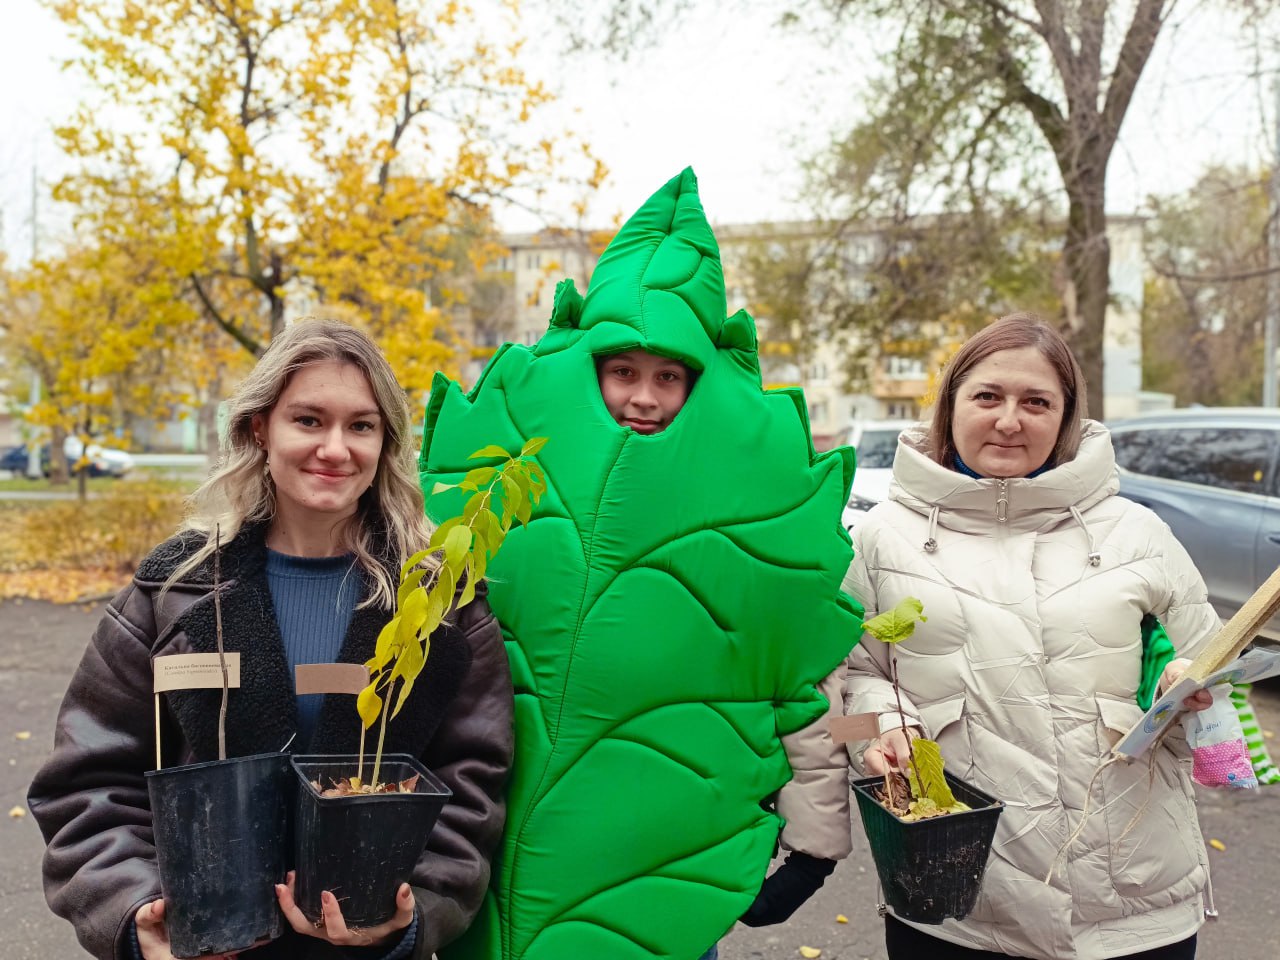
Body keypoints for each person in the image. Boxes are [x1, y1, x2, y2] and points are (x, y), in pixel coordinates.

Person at [419, 168, 858, 960]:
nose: (644, 397)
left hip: (658, 860)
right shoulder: (498, 490)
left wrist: (817, 837)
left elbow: (794, 686)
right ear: (590, 367)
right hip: (493, 852)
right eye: (622, 371)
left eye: (668, 377)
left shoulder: (748, 508)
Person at [27, 318, 513, 960]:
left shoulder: (436, 603)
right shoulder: (175, 591)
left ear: (385, 441)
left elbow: (472, 786)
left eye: (360, 426)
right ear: (261, 428)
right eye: (308, 420)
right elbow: (87, 781)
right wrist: (136, 907)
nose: (335, 449)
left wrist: (412, 911)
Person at [843, 313, 1220, 960]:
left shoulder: (1135, 533)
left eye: (1036, 402)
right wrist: (878, 729)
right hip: (955, 900)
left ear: (1065, 416)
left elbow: (1216, 681)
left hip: (1130, 905)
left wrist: (1184, 688)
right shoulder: (880, 539)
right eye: (987, 396)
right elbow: (839, 689)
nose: (1010, 420)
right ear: (950, 404)